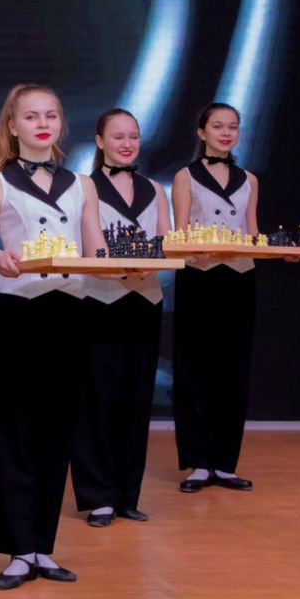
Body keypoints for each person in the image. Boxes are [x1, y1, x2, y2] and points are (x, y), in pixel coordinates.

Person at [0, 84, 106, 591]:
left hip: (69, 310)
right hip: (18, 312)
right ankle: (18, 550)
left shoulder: (82, 184)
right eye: (31, 116)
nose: (42, 124)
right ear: (12, 126)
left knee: (58, 429)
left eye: (50, 115)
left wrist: (125, 266)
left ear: (60, 123)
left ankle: (43, 547)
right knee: (15, 430)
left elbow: (96, 251)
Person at [73, 108, 169, 526]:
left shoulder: (155, 189)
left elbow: (167, 239)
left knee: (137, 399)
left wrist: (151, 264)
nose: (127, 144)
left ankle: (128, 494)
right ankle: (98, 496)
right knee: (97, 399)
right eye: (118, 136)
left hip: (146, 300)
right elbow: (84, 247)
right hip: (99, 301)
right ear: (100, 141)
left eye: (133, 136)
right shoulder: (84, 187)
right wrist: (118, 269)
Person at [170, 102, 259, 494]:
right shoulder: (186, 177)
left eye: (232, 127)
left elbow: (252, 234)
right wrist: (196, 253)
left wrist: (279, 251)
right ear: (201, 132)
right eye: (218, 126)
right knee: (196, 369)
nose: (226, 133)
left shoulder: (249, 179)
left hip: (239, 279)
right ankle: (198, 462)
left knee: (234, 371)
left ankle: (224, 463)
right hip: (200, 278)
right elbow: (179, 235)